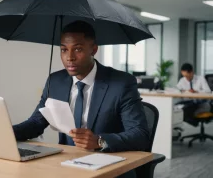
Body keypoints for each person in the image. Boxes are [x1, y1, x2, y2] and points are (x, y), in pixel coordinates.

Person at [13, 21, 150, 178]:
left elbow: (141, 135)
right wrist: (7, 133)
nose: (69, 57)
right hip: (66, 166)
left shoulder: (121, 83)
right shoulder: (55, 81)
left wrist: (100, 141)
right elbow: (36, 122)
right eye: (64, 50)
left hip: (109, 167)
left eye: (77, 49)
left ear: (93, 49)